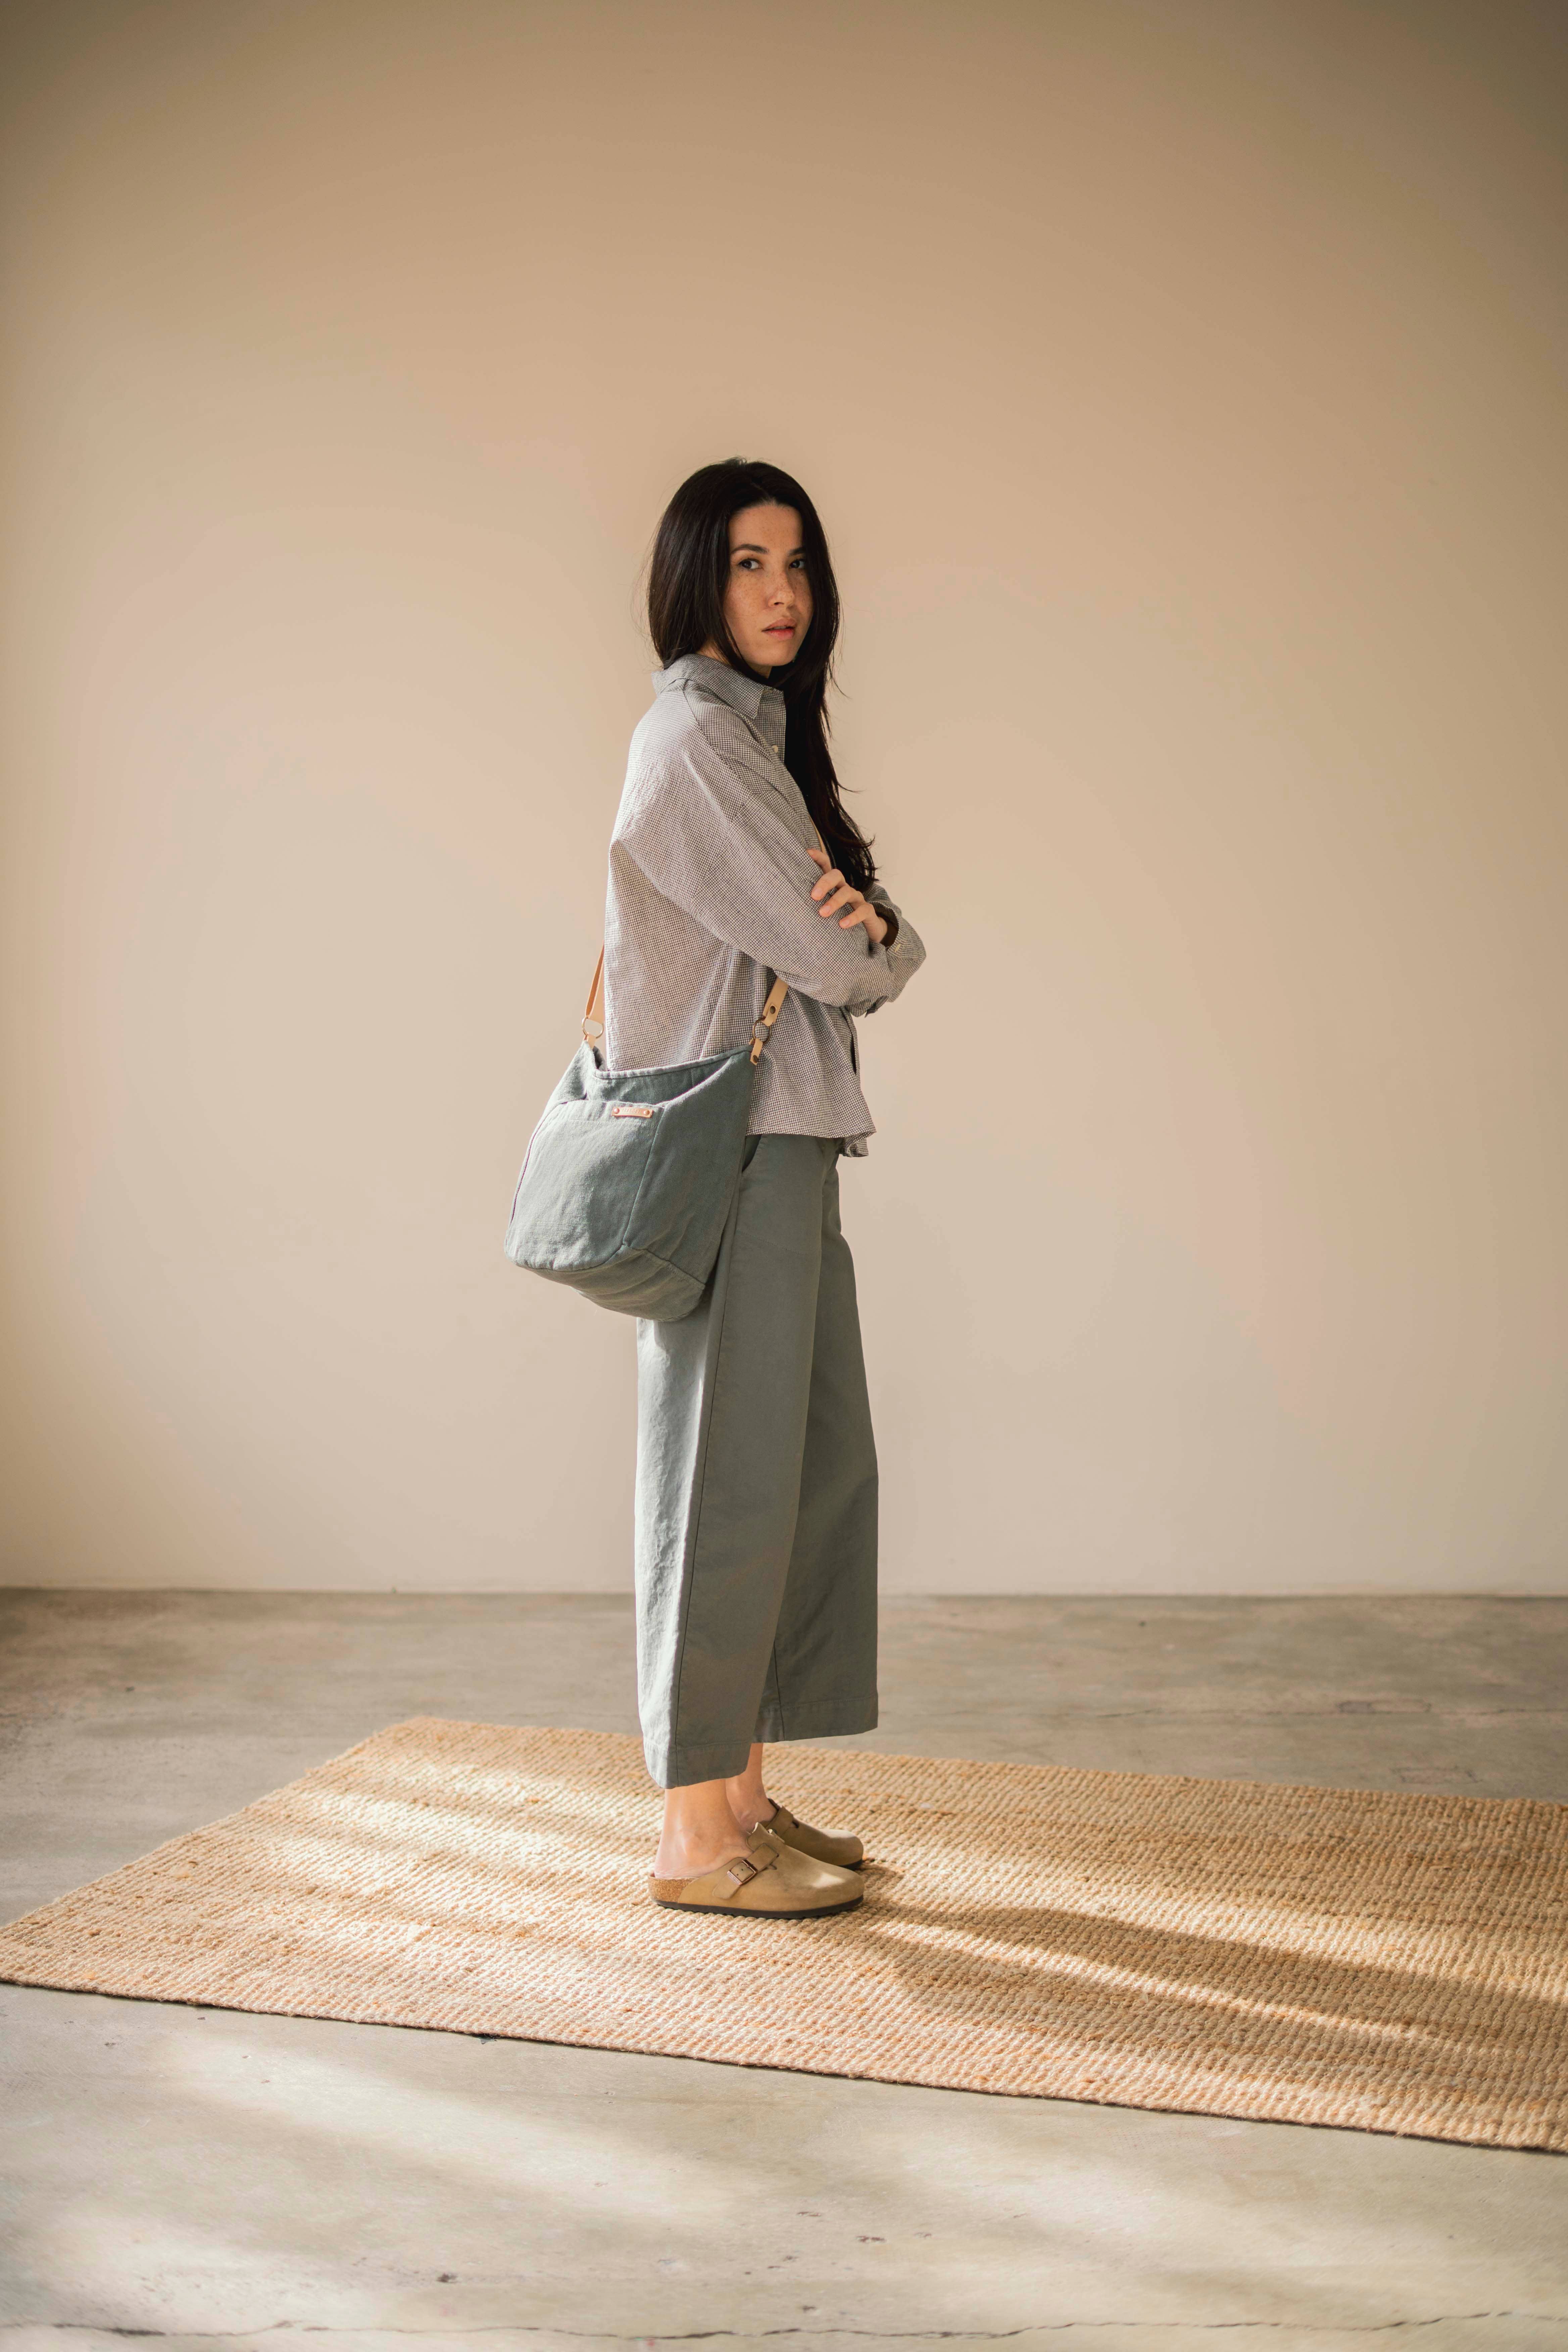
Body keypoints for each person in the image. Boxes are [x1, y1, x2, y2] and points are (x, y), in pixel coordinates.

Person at [603, 458, 925, 1918]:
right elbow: (846, 956)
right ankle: (693, 1834)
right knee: (721, 1481)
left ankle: (735, 1795)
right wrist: (882, 940)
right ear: (695, 577)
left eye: (796, 563)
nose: (782, 591)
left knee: (792, 1470)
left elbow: (857, 940)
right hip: (734, 1150)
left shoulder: (749, 738)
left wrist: (876, 935)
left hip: (779, 1139)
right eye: (747, 563)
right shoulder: (696, 746)